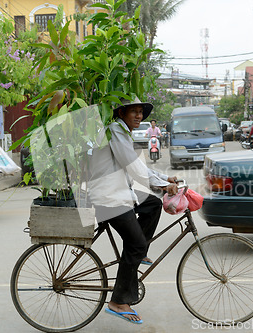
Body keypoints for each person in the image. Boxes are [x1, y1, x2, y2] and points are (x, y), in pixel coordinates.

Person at [87, 97, 178, 325]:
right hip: (108, 198)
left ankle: (138, 251)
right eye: (133, 111)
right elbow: (134, 167)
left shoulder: (121, 131)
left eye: (140, 112)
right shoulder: (116, 131)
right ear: (121, 112)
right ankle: (118, 301)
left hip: (118, 191)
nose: (138, 116)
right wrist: (162, 185)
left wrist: (164, 178)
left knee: (153, 204)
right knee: (135, 244)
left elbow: (138, 166)